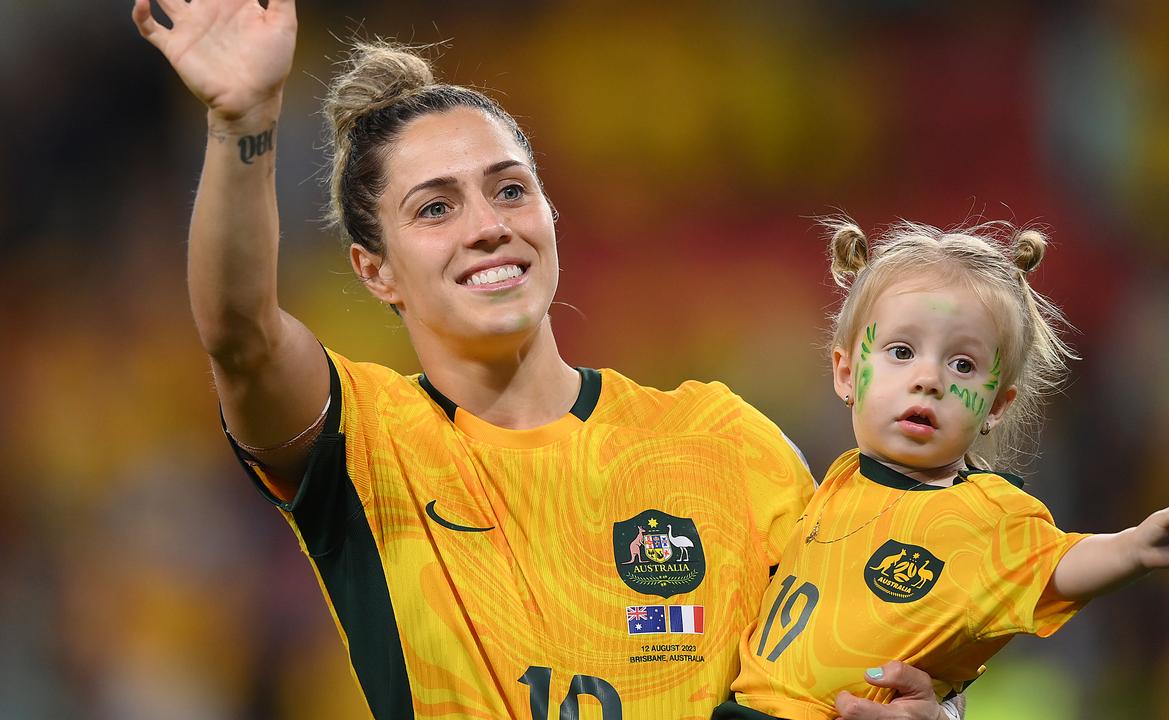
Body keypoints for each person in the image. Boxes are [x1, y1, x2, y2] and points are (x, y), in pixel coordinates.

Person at [130, 1, 965, 718]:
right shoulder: (367, 447)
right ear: (374, 269)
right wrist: (242, 124)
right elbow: (240, 335)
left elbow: (856, 661)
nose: (488, 224)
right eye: (434, 207)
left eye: (510, 187)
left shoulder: (725, 441)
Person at [712, 219, 1169, 719]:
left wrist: (1135, 548)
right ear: (846, 373)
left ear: (996, 405)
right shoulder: (837, 480)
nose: (929, 379)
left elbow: (1057, 563)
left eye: (963, 365)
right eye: (901, 351)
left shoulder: (987, 515)